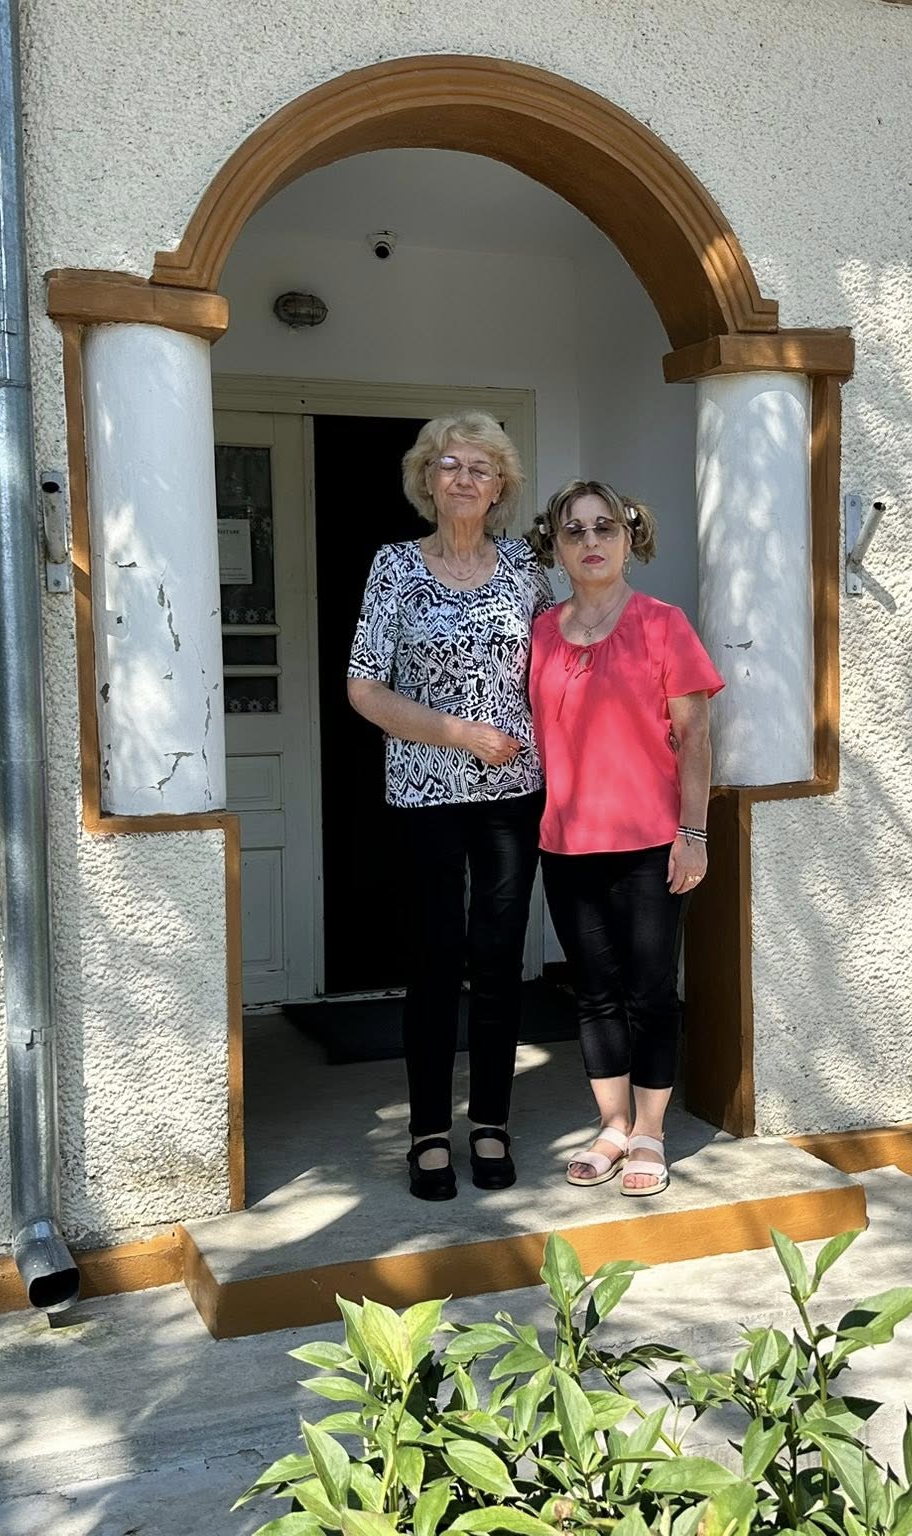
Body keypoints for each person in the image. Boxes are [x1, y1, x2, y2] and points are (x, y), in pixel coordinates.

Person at [346, 412, 550, 1202]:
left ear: (500, 488)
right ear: (426, 480)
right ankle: (429, 1131)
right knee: (432, 963)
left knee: (498, 961)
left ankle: (491, 1121)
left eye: (481, 468)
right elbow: (364, 688)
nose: (465, 478)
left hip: (512, 793)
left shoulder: (526, 566)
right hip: (425, 793)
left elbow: (559, 668)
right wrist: (460, 734)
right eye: (450, 465)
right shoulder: (394, 565)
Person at [528, 480, 722, 1197]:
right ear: (556, 546)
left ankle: (649, 1132)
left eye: (603, 526)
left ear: (628, 537)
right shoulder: (540, 633)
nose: (590, 541)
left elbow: (695, 737)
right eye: (573, 530)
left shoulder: (663, 624)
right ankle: (611, 1126)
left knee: (650, 992)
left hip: (650, 844)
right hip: (566, 843)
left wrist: (692, 834)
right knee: (594, 993)